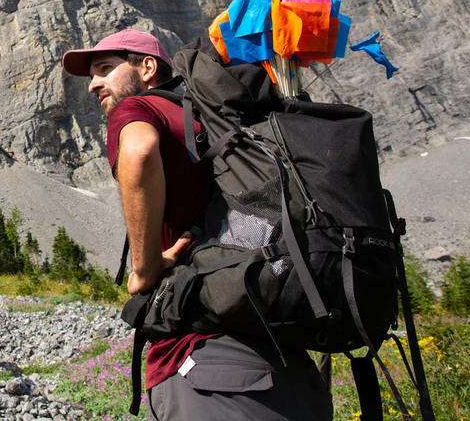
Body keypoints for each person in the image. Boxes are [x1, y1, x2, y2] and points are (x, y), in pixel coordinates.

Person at [62, 29, 331, 421]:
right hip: (288, 363)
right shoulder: (211, 122)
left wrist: (145, 268)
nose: (94, 85)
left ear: (148, 67)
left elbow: (139, 151)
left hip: (207, 367)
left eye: (104, 69)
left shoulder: (138, 108)